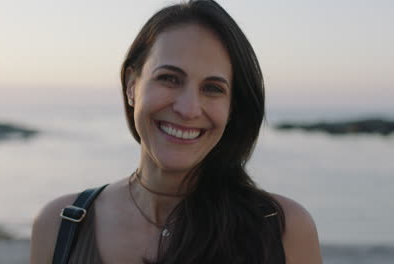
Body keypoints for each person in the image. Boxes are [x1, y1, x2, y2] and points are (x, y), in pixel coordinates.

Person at [30, 0, 322, 263]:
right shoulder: (60, 226)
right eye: (169, 78)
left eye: (212, 89)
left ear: (233, 107)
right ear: (132, 85)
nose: (188, 108)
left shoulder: (283, 230)